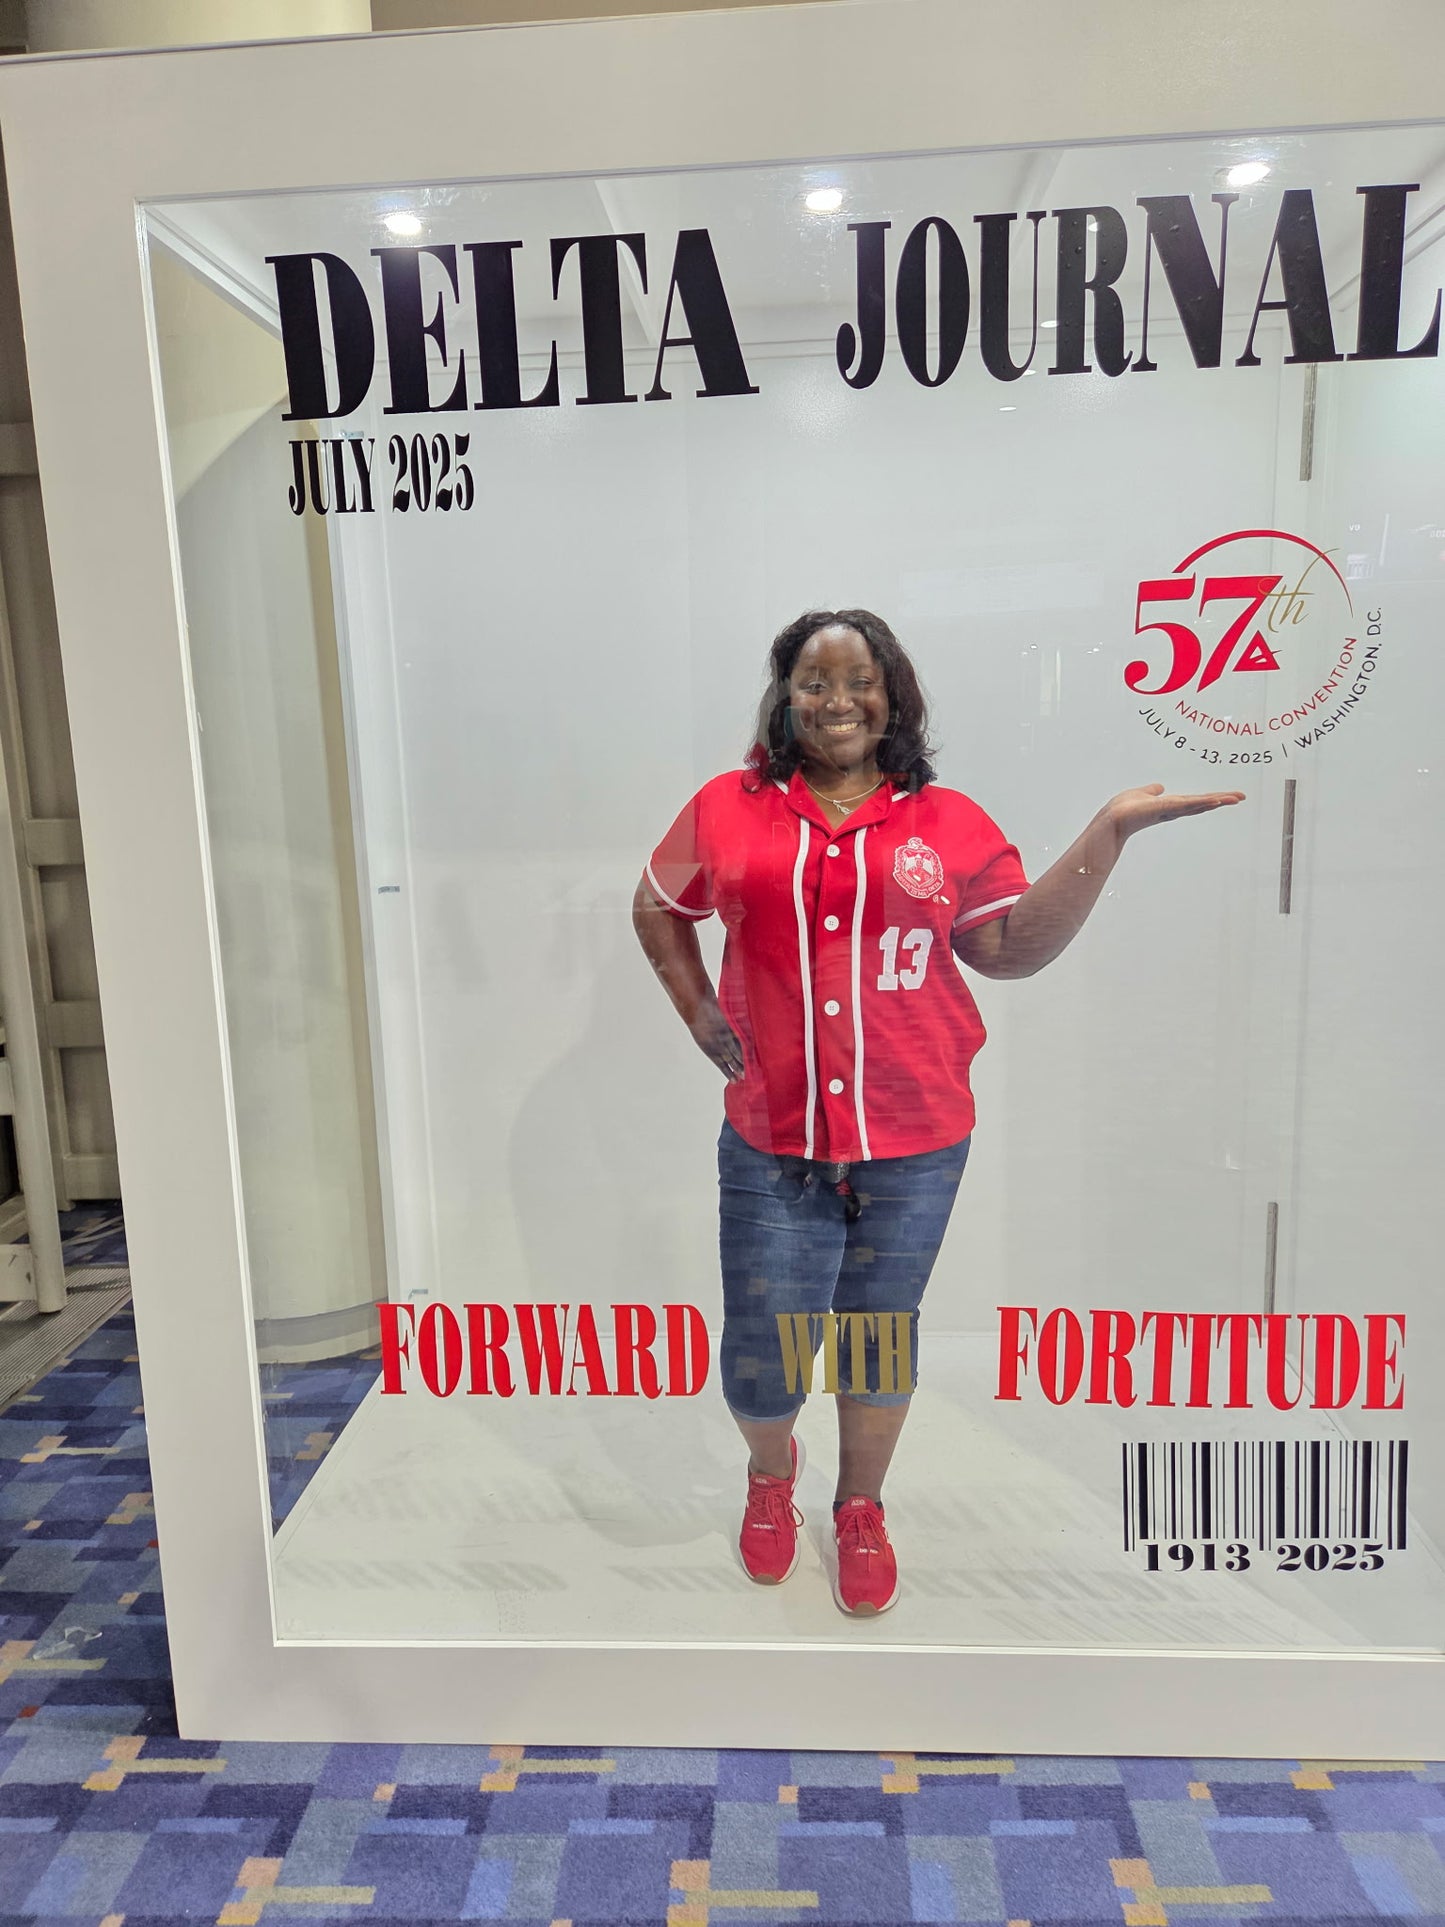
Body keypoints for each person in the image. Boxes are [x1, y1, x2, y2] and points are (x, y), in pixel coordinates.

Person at [632, 609, 1242, 1616]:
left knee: (877, 1334)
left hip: (914, 1141)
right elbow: (656, 905)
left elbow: (1006, 950)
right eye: (813, 681)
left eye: (857, 680)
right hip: (770, 1135)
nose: (836, 701)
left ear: (892, 694)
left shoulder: (944, 821)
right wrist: (699, 1013)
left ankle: (859, 1507)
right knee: (763, 1352)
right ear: (783, 695)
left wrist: (1106, 835)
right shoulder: (725, 808)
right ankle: (769, 1474)